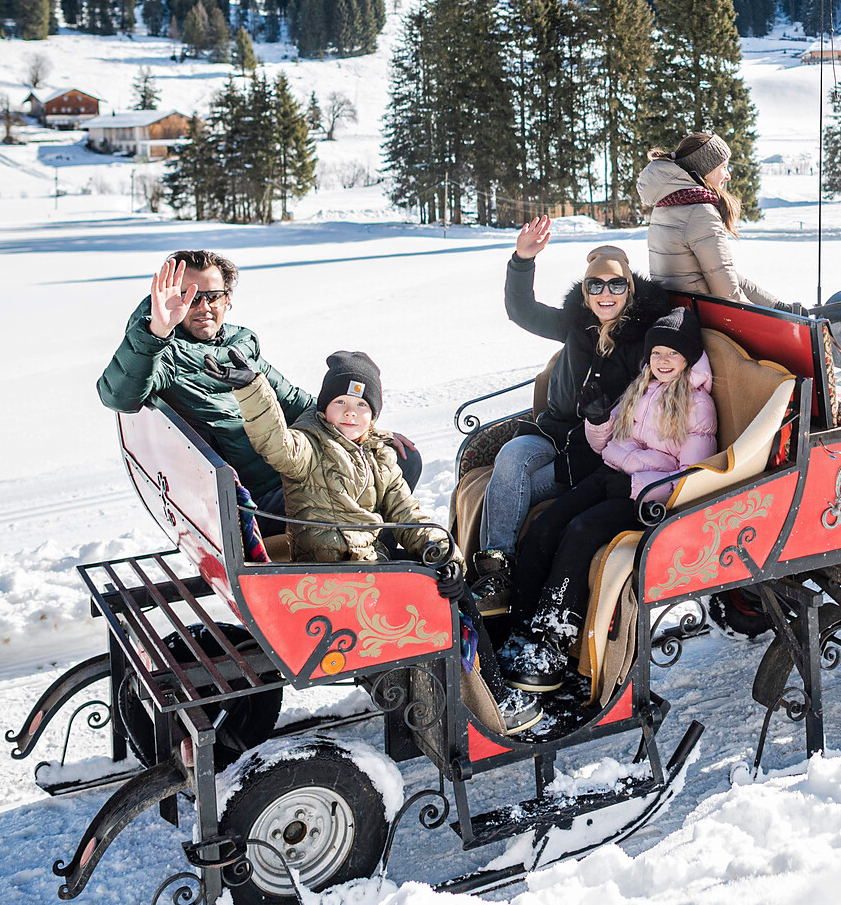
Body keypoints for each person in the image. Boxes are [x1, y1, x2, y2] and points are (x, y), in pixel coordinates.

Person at [211, 348, 541, 734]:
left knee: (453, 585)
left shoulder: (378, 454)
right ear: (324, 409)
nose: (350, 413)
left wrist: (441, 554)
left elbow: (405, 513)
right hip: (334, 575)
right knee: (440, 599)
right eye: (340, 402)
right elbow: (277, 443)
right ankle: (489, 698)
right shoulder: (308, 446)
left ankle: (489, 687)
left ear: (374, 415)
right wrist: (253, 389)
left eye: (362, 406)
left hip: (364, 565)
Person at [96, 251, 420, 529]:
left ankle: (377, 557)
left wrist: (365, 432)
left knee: (398, 457)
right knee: (378, 479)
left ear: (227, 299)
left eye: (213, 296)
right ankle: (378, 566)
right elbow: (118, 396)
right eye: (190, 297)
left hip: (291, 470)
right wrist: (156, 331)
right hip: (257, 503)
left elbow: (293, 400)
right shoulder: (163, 354)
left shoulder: (238, 344)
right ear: (172, 300)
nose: (204, 306)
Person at [499, 308, 717, 693]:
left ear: (688, 359)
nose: (663, 361)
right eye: (657, 353)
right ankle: (520, 625)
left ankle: (554, 639)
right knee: (547, 524)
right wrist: (597, 418)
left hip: (644, 497)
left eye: (673, 354)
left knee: (580, 532)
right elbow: (604, 443)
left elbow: (689, 478)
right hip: (610, 474)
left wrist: (637, 486)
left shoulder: (697, 405)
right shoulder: (641, 387)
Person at [483, 219, 672, 569]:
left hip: (591, 453)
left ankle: (505, 566)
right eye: (595, 285)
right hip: (550, 432)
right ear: (585, 293)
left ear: (629, 290)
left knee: (510, 489)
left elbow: (677, 352)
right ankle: (493, 565)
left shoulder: (644, 339)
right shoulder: (574, 324)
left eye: (616, 284)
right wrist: (522, 260)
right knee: (510, 457)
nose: (605, 294)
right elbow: (521, 310)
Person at [635, 132, 783, 308]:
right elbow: (728, 294)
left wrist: (778, 307)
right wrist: (767, 318)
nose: (728, 176)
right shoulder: (699, 212)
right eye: (724, 167)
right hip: (702, 315)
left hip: (677, 308)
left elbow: (726, 275)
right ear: (706, 170)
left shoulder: (666, 205)